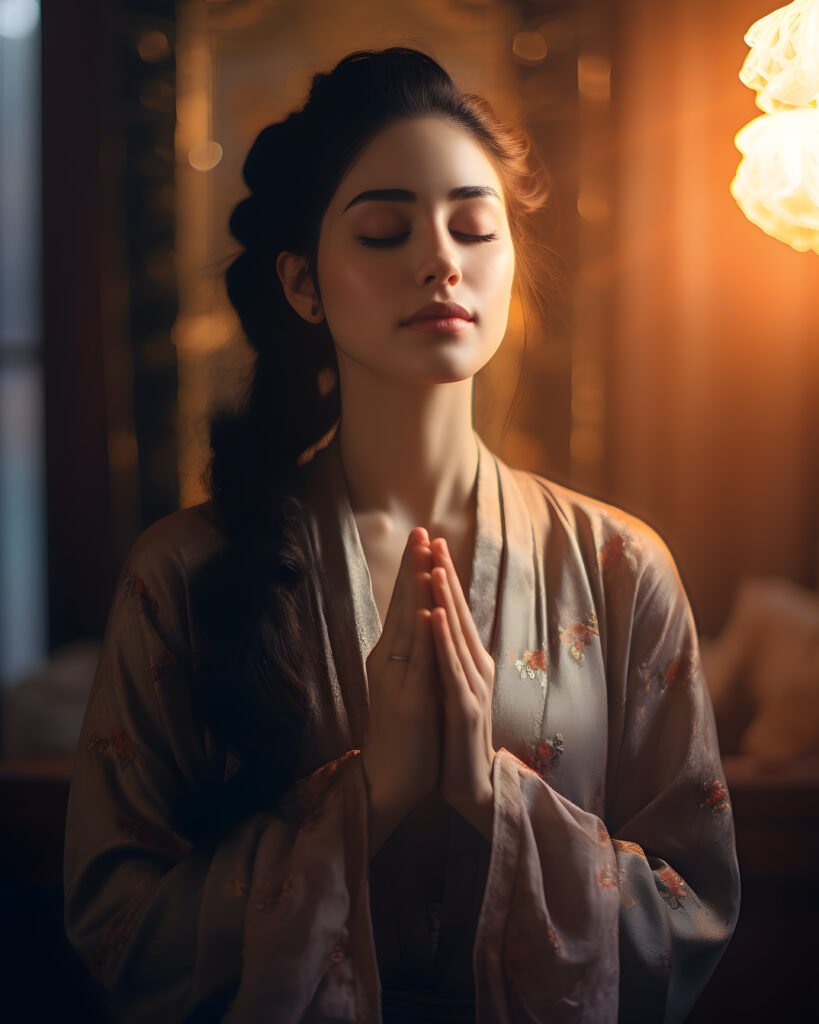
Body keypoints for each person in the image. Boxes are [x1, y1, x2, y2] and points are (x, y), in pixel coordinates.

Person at [63, 47, 740, 1024]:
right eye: (385, 231)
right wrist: (368, 796)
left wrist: (490, 792)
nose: (442, 260)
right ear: (303, 285)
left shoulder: (620, 567)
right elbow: (117, 927)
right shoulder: (183, 572)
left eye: (474, 226)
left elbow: (696, 906)